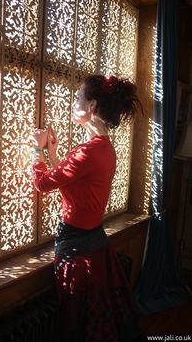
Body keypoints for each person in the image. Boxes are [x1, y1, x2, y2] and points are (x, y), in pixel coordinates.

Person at [32, 75, 142, 342]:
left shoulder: (88, 152)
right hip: (94, 244)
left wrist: (36, 149)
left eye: (77, 98)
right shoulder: (105, 149)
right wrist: (55, 154)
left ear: (91, 106)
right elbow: (75, 189)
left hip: (77, 252)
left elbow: (43, 184)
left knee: (76, 323)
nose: (73, 103)